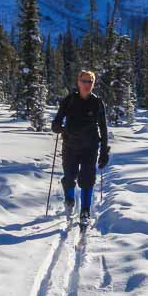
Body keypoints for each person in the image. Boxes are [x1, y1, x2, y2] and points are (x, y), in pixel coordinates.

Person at [51, 70, 110, 223]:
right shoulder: (69, 100)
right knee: (70, 177)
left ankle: (85, 210)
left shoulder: (97, 102)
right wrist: (61, 128)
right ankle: (69, 200)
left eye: (90, 82)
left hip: (90, 147)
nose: (86, 85)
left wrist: (104, 151)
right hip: (70, 146)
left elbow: (103, 128)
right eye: (84, 81)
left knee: (87, 178)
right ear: (78, 82)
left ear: (93, 84)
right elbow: (56, 123)